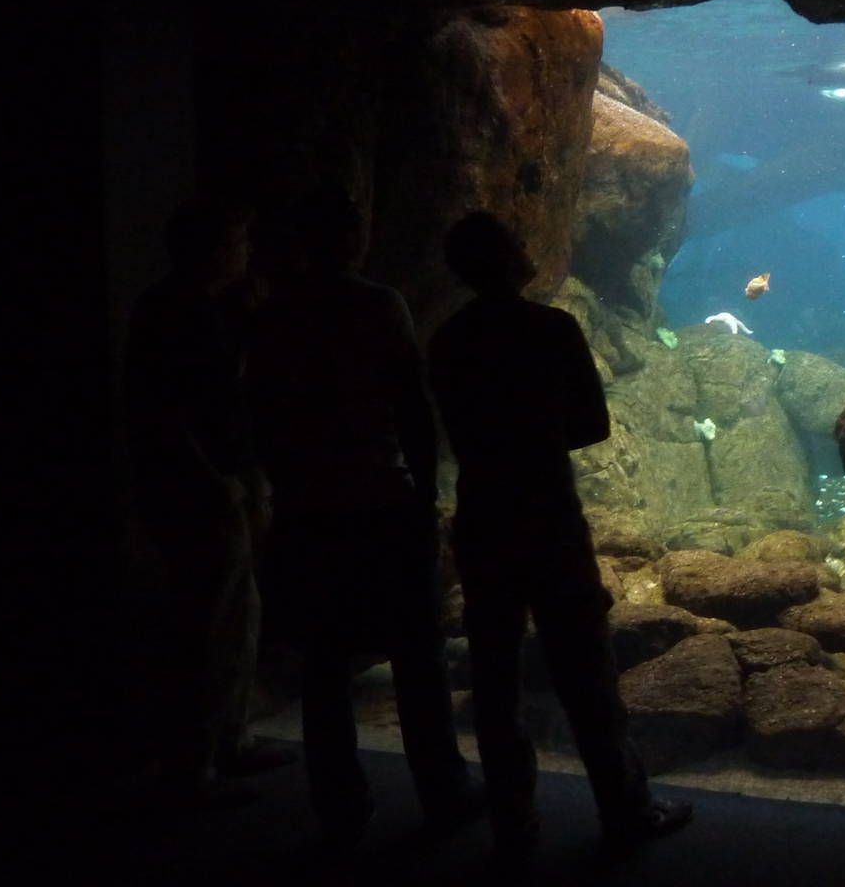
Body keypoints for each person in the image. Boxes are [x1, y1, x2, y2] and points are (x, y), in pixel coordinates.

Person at [428, 211, 693, 861]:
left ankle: (514, 823)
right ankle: (625, 807)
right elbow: (592, 426)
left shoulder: (448, 339)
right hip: (546, 516)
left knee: (494, 676)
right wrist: (537, 431)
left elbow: (453, 430)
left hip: (483, 514)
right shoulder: (553, 327)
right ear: (510, 257)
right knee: (583, 668)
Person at [248, 188, 477, 849]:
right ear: (350, 237)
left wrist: (282, 485)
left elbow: (259, 409)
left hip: (307, 508)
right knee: (415, 653)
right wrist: (427, 491)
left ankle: (339, 807)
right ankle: (442, 788)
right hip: (379, 501)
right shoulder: (379, 305)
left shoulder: (275, 313)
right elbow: (411, 402)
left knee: (323, 665)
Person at [122, 198, 294, 805]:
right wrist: (214, 478)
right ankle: (194, 756)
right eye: (240, 242)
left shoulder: (205, 308)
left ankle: (227, 737)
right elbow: (162, 410)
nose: (249, 252)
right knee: (207, 617)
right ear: (216, 250)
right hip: (199, 487)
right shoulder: (173, 311)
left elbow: (228, 390)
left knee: (236, 612)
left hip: (226, 480)